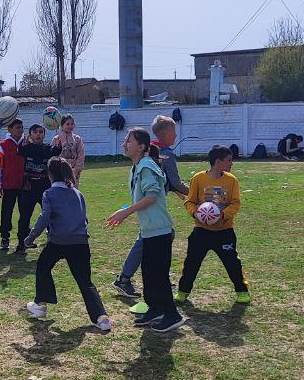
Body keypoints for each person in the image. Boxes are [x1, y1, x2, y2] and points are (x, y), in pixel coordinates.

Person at [106, 128, 185, 334]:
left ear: (141, 146)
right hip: (149, 231)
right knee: (149, 274)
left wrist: (126, 213)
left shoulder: (146, 166)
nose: (124, 144)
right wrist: (124, 211)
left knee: (158, 275)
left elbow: (151, 196)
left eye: (128, 141)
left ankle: (172, 315)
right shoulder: (137, 167)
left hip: (160, 231)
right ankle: (154, 309)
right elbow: (143, 199)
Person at [24, 157, 111, 332]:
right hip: (80, 242)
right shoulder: (78, 193)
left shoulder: (49, 193)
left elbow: (45, 217)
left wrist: (30, 238)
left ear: (50, 174)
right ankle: (101, 318)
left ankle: (41, 304)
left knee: (43, 266)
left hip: (58, 241)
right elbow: (84, 218)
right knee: (85, 281)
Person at [177, 145, 251, 304]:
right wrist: (196, 213)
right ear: (218, 162)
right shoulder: (198, 178)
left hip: (224, 231)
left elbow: (235, 203)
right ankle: (182, 291)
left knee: (232, 263)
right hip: (201, 231)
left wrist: (223, 214)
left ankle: (242, 291)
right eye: (229, 160)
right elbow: (190, 201)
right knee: (191, 262)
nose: (232, 163)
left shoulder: (231, 180)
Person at [0, 116, 26, 253]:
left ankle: (23, 239)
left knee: (25, 213)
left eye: (22, 127)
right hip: (9, 185)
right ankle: (5, 236)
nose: (21, 130)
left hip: (25, 185)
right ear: (10, 129)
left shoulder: (27, 144)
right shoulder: (3, 146)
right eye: (18, 128)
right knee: (7, 212)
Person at [18, 123, 51, 250]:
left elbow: (58, 151)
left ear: (44, 134)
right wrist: (24, 143)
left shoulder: (48, 148)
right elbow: (20, 150)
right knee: (25, 216)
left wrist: (59, 142)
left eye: (41, 132)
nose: (38, 134)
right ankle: (22, 243)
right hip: (28, 187)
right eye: (35, 132)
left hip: (45, 187)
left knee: (49, 214)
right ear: (30, 135)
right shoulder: (26, 148)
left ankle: (53, 240)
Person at [51, 114, 85, 185]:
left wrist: (76, 170)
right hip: (59, 172)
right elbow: (52, 156)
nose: (70, 126)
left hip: (73, 171)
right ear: (62, 125)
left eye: (72, 124)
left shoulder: (77, 139)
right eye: (67, 124)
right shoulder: (56, 139)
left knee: (72, 193)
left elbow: (81, 156)